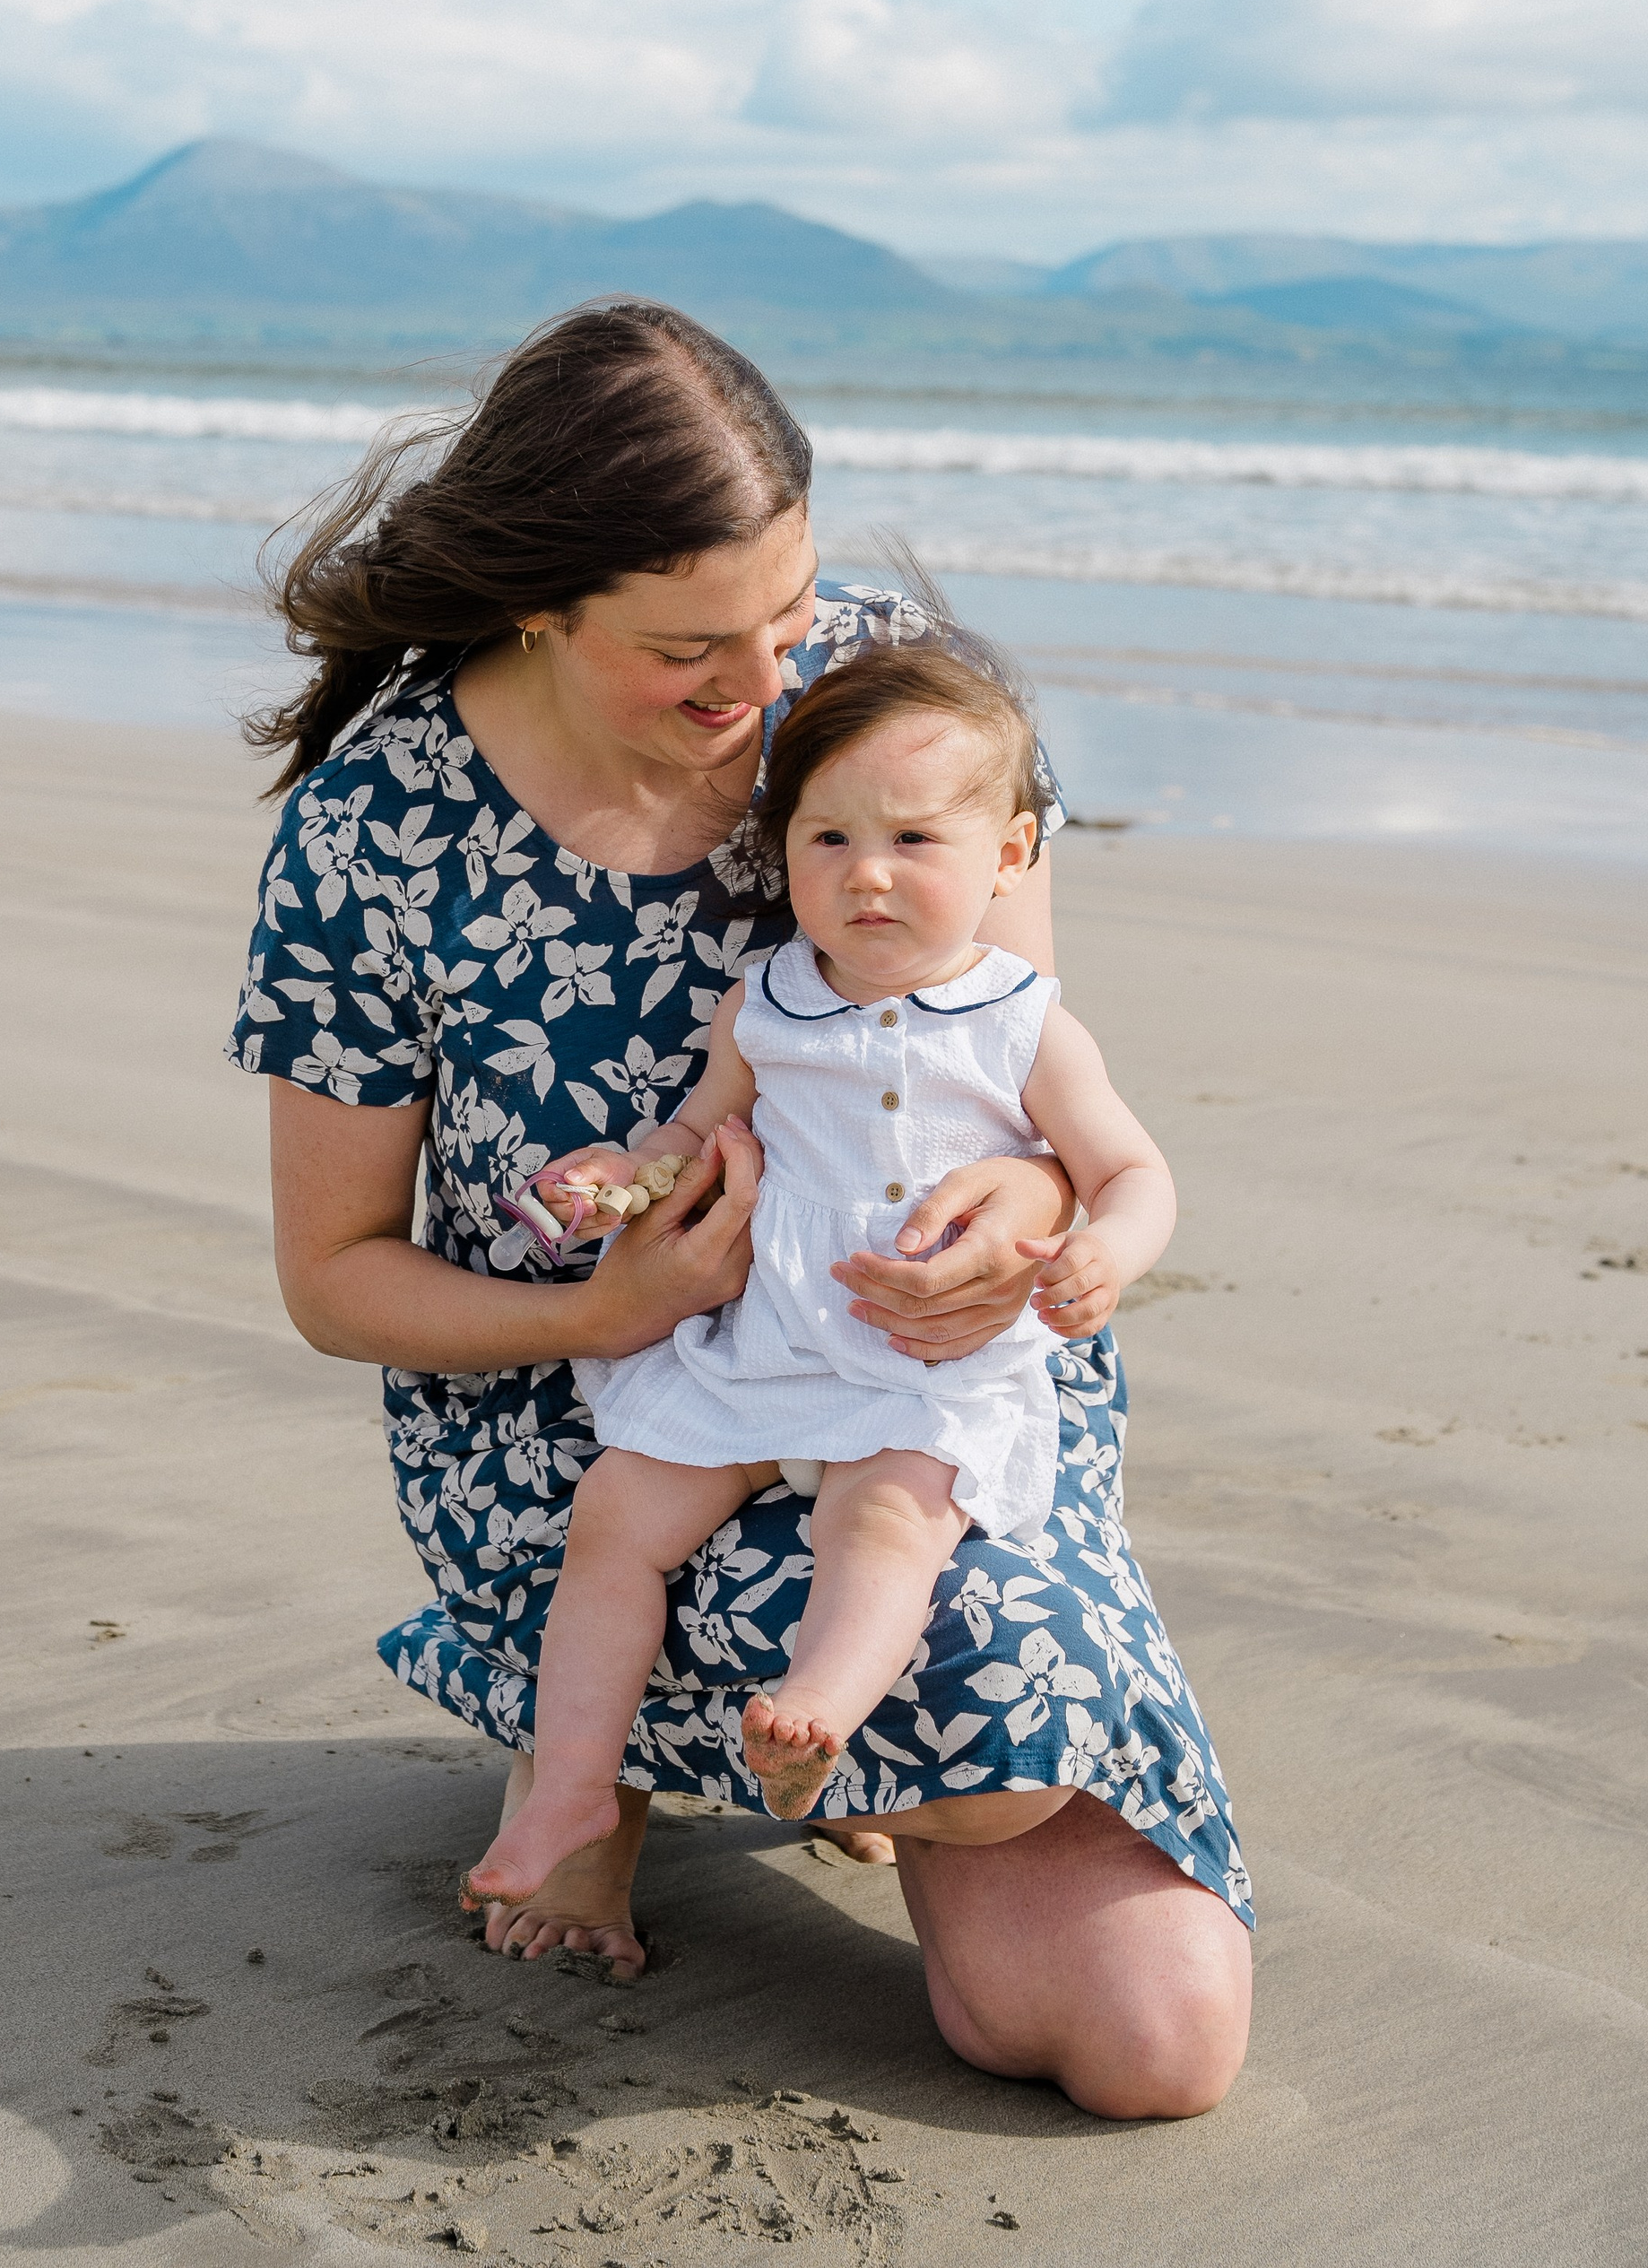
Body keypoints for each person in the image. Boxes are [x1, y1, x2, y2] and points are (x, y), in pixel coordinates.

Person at [231, 300, 1252, 2118]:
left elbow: (1015, 1054)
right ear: (538, 605)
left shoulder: (890, 708)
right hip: (581, 1426)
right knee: (729, 1610)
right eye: (688, 647)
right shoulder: (374, 831)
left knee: (1150, 2042)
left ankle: (851, 1755)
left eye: (784, 613)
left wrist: (1023, 1208)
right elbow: (333, 1280)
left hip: (911, 1392)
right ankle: (596, 1768)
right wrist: (599, 1311)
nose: (763, 683)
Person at [462, 639, 1178, 1909]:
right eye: (829, 839)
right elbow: (697, 1132)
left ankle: (816, 1717)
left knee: (889, 1522)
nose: (868, 874)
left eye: (914, 839)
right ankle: (572, 1779)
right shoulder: (767, 1003)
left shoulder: (1023, 1024)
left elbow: (1132, 1171)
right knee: (616, 1519)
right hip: (763, 1349)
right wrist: (623, 1177)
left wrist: (1102, 1252)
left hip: (915, 1369)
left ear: (1010, 854)